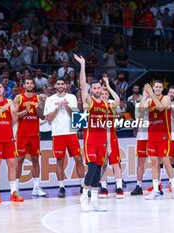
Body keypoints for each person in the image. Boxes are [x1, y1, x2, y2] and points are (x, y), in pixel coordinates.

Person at [75, 54, 111, 212]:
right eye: (94, 88)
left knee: (98, 170)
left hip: (102, 140)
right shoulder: (88, 101)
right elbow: (83, 85)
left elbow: (108, 126)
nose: (96, 90)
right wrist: (83, 66)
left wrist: (109, 145)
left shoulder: (105, 103)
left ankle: (95, 200)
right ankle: (84, 197)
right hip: (90, 140)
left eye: (98, 88)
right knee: (91, 168)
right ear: (91, 90)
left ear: (102, 89)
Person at [44, 76, 85, 198]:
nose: (61, 85)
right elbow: (49, 119)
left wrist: (66, 107)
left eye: (63, 83)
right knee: (59, 160)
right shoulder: (50, 100)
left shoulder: (71, 98)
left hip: (71, 133)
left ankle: (82, 185)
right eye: (58, 83)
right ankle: (61, 187)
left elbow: (76, 117)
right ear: (55, 86)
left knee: (78, 159)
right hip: (57, 134)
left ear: (66, 86)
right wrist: (58, 107)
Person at [0, 82, 24, 203]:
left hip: (8, 137)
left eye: (0, 87)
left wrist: (14, 112)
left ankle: (13, 193)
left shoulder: (10, 102)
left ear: (4, 89)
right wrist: (2, 109)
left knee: (12, 164)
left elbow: (15, 120)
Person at [139, 81, 174, 200]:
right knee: (154, 163)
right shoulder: (149, 101)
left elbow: (161, 108)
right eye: (155, 87)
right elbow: (140, 112)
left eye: (159, 87)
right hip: (152, 136)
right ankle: (156, 189)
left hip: (164, 136)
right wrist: (145, 97)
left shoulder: (166, 98)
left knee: (166, 161)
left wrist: (151, 93)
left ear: (162, 89)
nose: (157, 88)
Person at [14, 78, 47, 197]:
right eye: (27, 83)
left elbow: (42, 117)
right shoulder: (19, 97)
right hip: (22, 134)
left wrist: (38, 108)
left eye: (31, 83)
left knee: (35, 160)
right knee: (19, 161)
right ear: (24, 85)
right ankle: (15, 189)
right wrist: (25, 112)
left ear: (34, 85)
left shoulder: (38, 98)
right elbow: (14, 116)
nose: (29, 84)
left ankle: (36, 187)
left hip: (35, 134)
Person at [99, 77, 124, 199]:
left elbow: (118, 99)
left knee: (115, 162)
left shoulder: (111, 104)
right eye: (102, 93)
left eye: (105, 94)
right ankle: (104, 187)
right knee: (103, 163)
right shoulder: (95, 104)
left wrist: (108, 86)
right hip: (100, 136)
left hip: (112, 135)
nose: (103, 95)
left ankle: (119, 186)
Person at [130, 92, 149, 195]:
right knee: (140, 161)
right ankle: (139, 185)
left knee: (157, 161)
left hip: (154, 135)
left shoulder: (155, 103)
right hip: (142, 136)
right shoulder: (138, 104)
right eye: (145, 92)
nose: (148, 94)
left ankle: (158, 185)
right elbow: (138, 120)